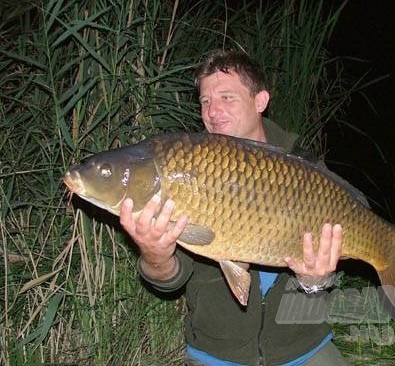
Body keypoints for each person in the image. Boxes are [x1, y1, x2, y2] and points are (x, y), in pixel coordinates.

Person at [120, 51, 350, 365]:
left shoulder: (305, 169)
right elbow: (171, 278)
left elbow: (323, 286)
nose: (213, 111)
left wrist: (315, 280)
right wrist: (154, 254)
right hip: (217, 354)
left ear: (261, 101)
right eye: (204, 102)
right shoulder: (189, 169)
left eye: (227, 97)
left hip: (302, 348)